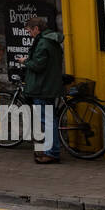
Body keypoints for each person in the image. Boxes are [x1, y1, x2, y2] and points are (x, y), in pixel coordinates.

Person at [23, 16, 65, 164]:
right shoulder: (52, 41)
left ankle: (52, 153)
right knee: (49, 119)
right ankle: (51, 150)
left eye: (29, 31)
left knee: (47, 120)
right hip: (49, 85)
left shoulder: (43, 42)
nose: (29, 34)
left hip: (42, 87)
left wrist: (26, 61)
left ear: (36, 29)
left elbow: (38, 65)